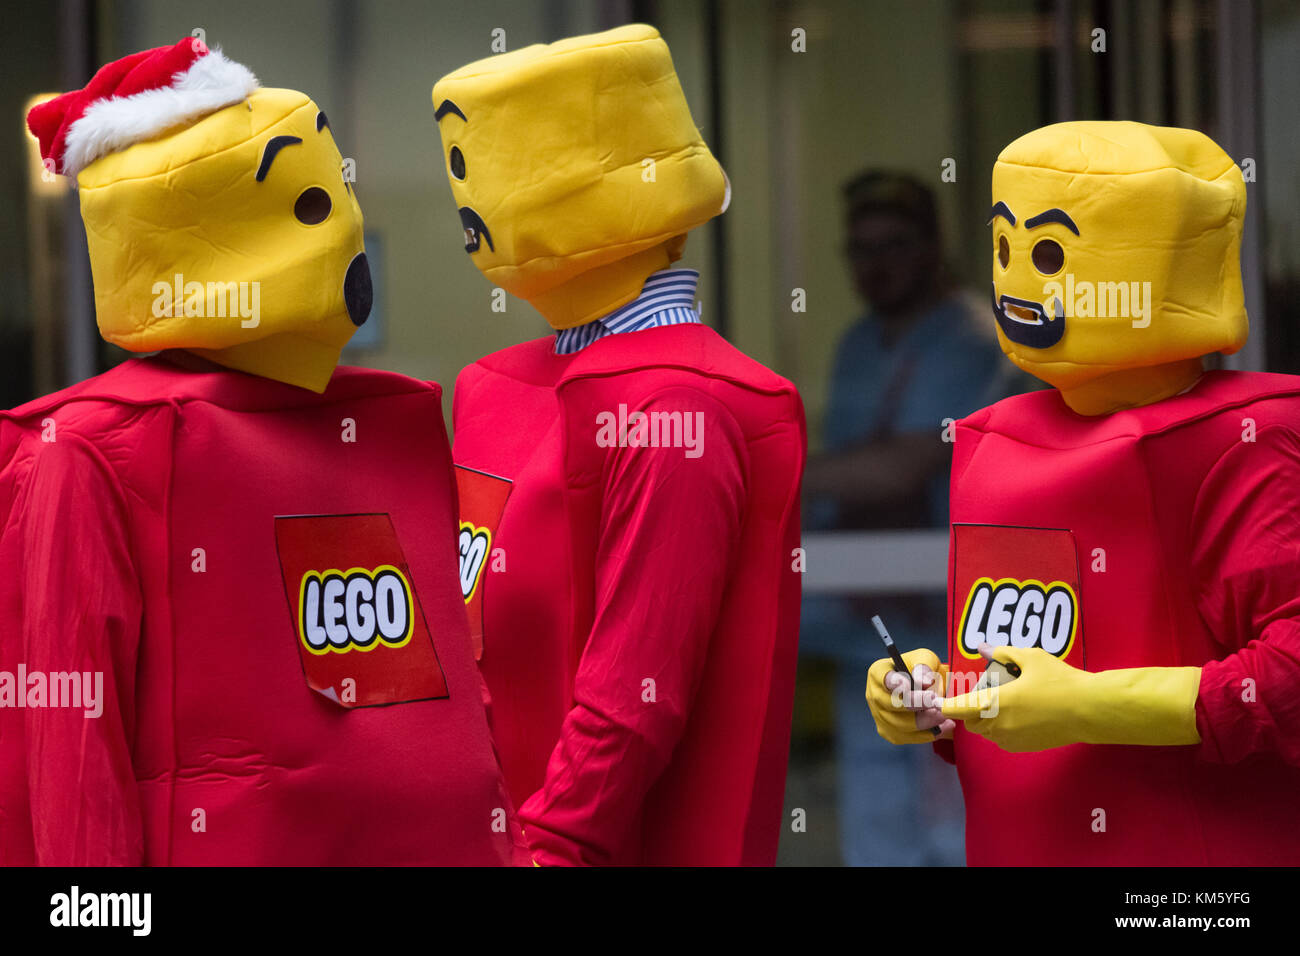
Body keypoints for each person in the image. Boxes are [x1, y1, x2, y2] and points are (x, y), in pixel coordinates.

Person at [0, 38, 526, 865]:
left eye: (333, 191)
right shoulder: (89, 451)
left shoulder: (387, 422)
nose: (347, 226)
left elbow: (457, 688)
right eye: (308, 204)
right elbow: (71, 760)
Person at [868, 120, 1300, 865]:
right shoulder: (993, 440)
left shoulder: (1248, 439)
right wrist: (937, 701)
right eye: (1005, 249)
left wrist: (1090, 706)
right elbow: (1020, 669)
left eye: (1046, 254)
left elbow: (1288, 675)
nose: (1018, 282)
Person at [432, 24, 806, 865]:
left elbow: (638, 691)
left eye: (496, 163)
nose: (470, 202)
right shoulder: (501, 387)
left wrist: (551, 849)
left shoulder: (681, 407)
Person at [800, 171, 1006, 865]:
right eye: (860, 250)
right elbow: (852, 471)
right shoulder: (861, 342)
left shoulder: (969, 340)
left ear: (933, 247)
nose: (875, 265)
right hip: (870, 614)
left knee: (951, 822)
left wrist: (770, 473)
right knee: (878, 817)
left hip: (946, 612)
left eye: (894, 245)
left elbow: (899, 468)